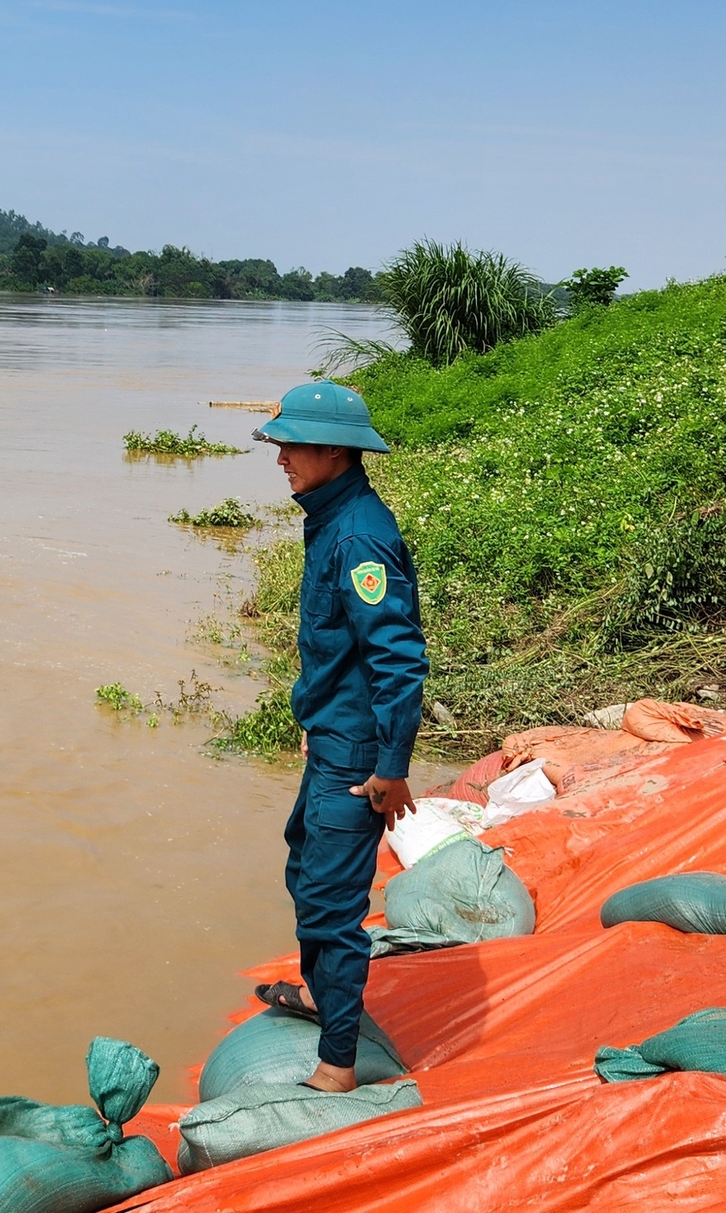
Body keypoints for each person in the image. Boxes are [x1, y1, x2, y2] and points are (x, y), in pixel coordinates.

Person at [248, 382, 429, 1093]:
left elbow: (398, 658)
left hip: (355, 759)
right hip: (332, 738)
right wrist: (313, 722)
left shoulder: (357, 536)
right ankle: (323, 996)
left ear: (333, 450)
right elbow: (338, 650)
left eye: (291, 445)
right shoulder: (330, 514)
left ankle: (337, 1067)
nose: (281, 458)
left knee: (331, 905)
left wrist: (390, 766)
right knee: (305, 871)